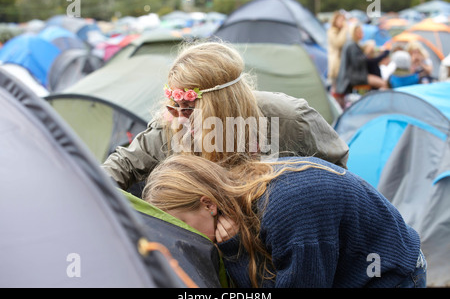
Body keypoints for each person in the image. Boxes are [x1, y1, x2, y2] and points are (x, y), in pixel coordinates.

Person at [143, 154, 427, 288]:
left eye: (182, 223)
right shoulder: (244, 198)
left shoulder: (285, 209)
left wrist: (235, 255)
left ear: (208, 204)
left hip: (389, 277)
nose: (184, 237)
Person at [102, 41, 349, 193]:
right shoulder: (175, 125)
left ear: (220, 104)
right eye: (173, 106)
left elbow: (339, 176)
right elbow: (123, 165)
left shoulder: (291, 120)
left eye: (189, 107)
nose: (179, 117)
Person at [336, 24, 388, 96]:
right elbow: (358, 63)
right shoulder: (352, 45)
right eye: (359, 32)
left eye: (362, 32)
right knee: (383, 84)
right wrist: (367, 54)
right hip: (357, 77)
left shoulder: (353, 44)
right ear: (354, 33)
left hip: (356, 75)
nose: (361, 34)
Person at [327, 11, 348, 92]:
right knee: (335, 88)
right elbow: (338, 43)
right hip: (336, 64)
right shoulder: (332, 31)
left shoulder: (342, 31)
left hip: (343, 62)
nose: (342, 22)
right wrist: (344, 30)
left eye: (343, 20)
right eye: (340, 20)